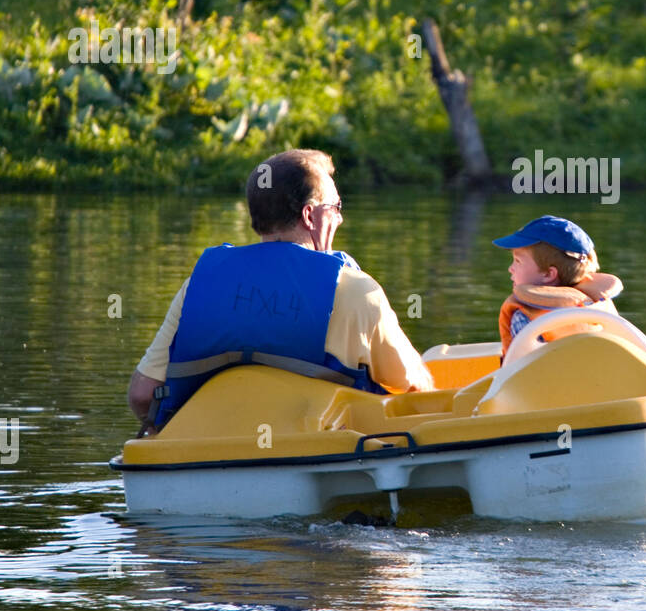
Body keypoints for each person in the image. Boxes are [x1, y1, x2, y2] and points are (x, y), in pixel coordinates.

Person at [127, 149, 433, 434]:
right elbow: (417, 391)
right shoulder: (357, 291)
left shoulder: (199, 284)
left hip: (200, 451)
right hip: (317, 451)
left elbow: (143, 395)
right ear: (310, 216)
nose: (339, 217)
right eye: (335, 207)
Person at [493, 215, 623, 358]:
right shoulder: (600, 306)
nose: (510, 268)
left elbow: (521, 371)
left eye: (517, 261)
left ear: (549, 274)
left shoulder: (525, 317)